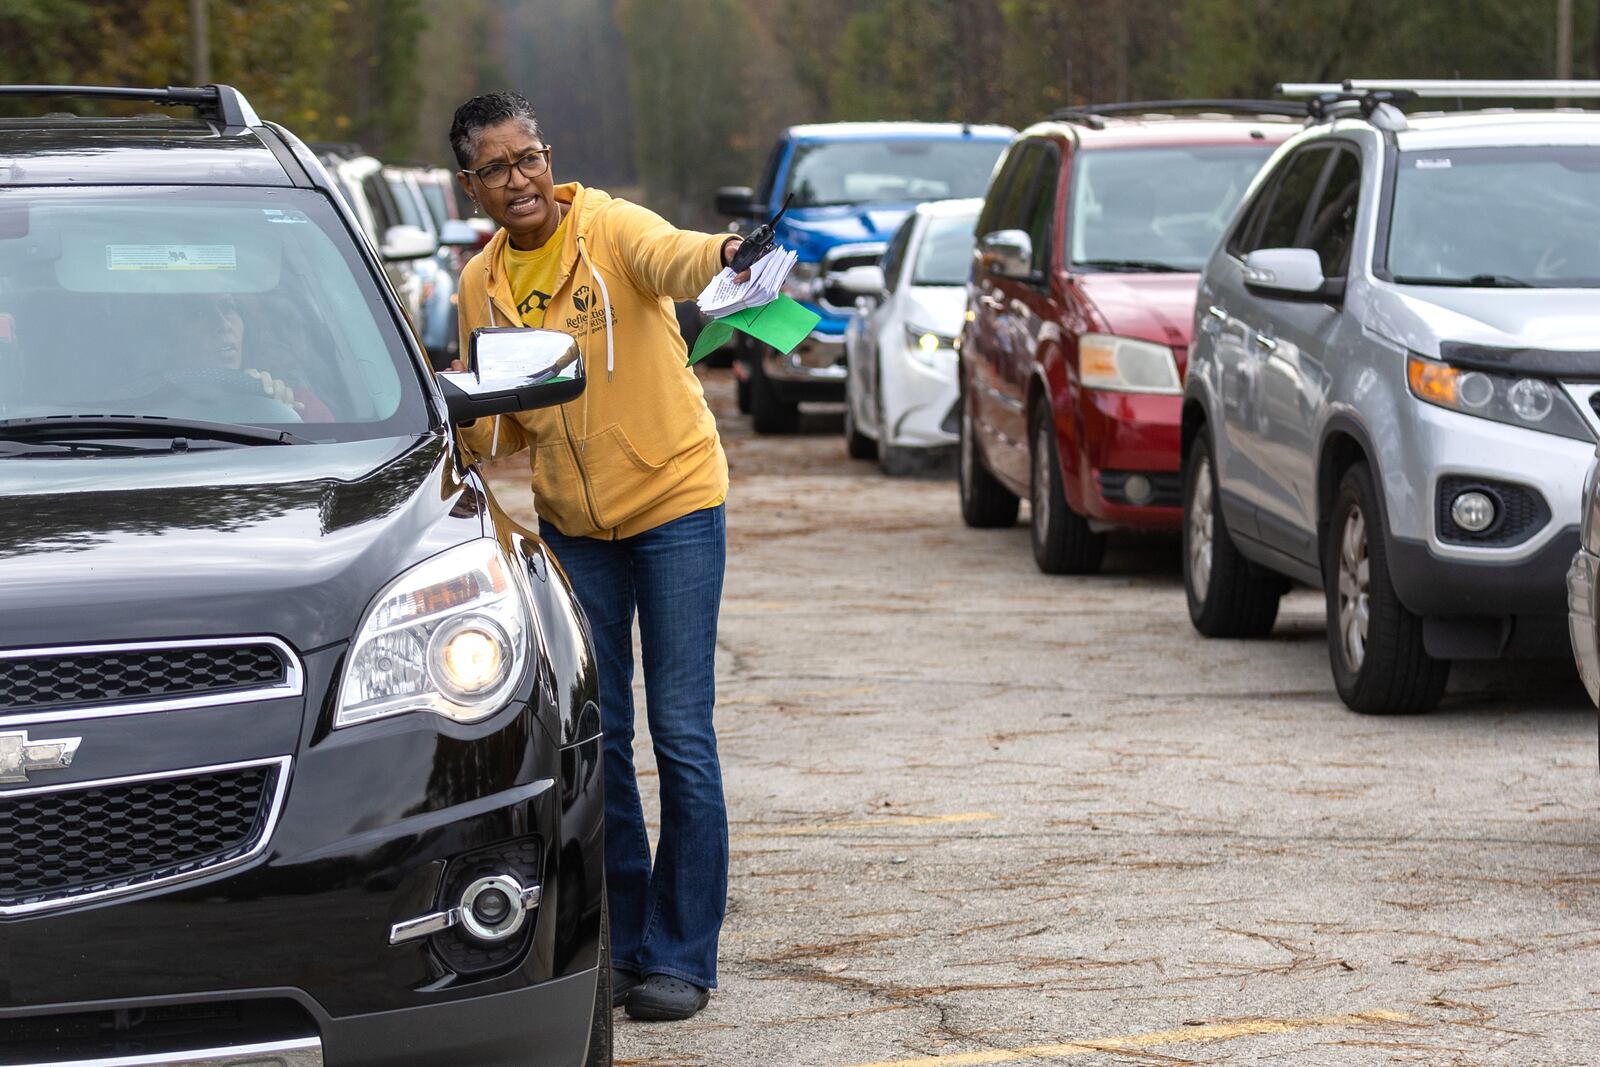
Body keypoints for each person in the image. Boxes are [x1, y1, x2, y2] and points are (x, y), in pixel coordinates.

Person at [448, 91, 743, 1022]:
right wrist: (451, 407)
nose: (519, 179)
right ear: (473, 187)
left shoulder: (611, 230)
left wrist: (729, 252)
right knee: (599, 738)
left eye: (527, 157)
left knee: (682, 734)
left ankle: (684, 953)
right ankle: (621, 945)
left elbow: (679, 256)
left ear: (548, 155)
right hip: (577, 527)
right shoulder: (479, 284)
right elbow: (498, 432)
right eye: (496, 168)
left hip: (676, 503)